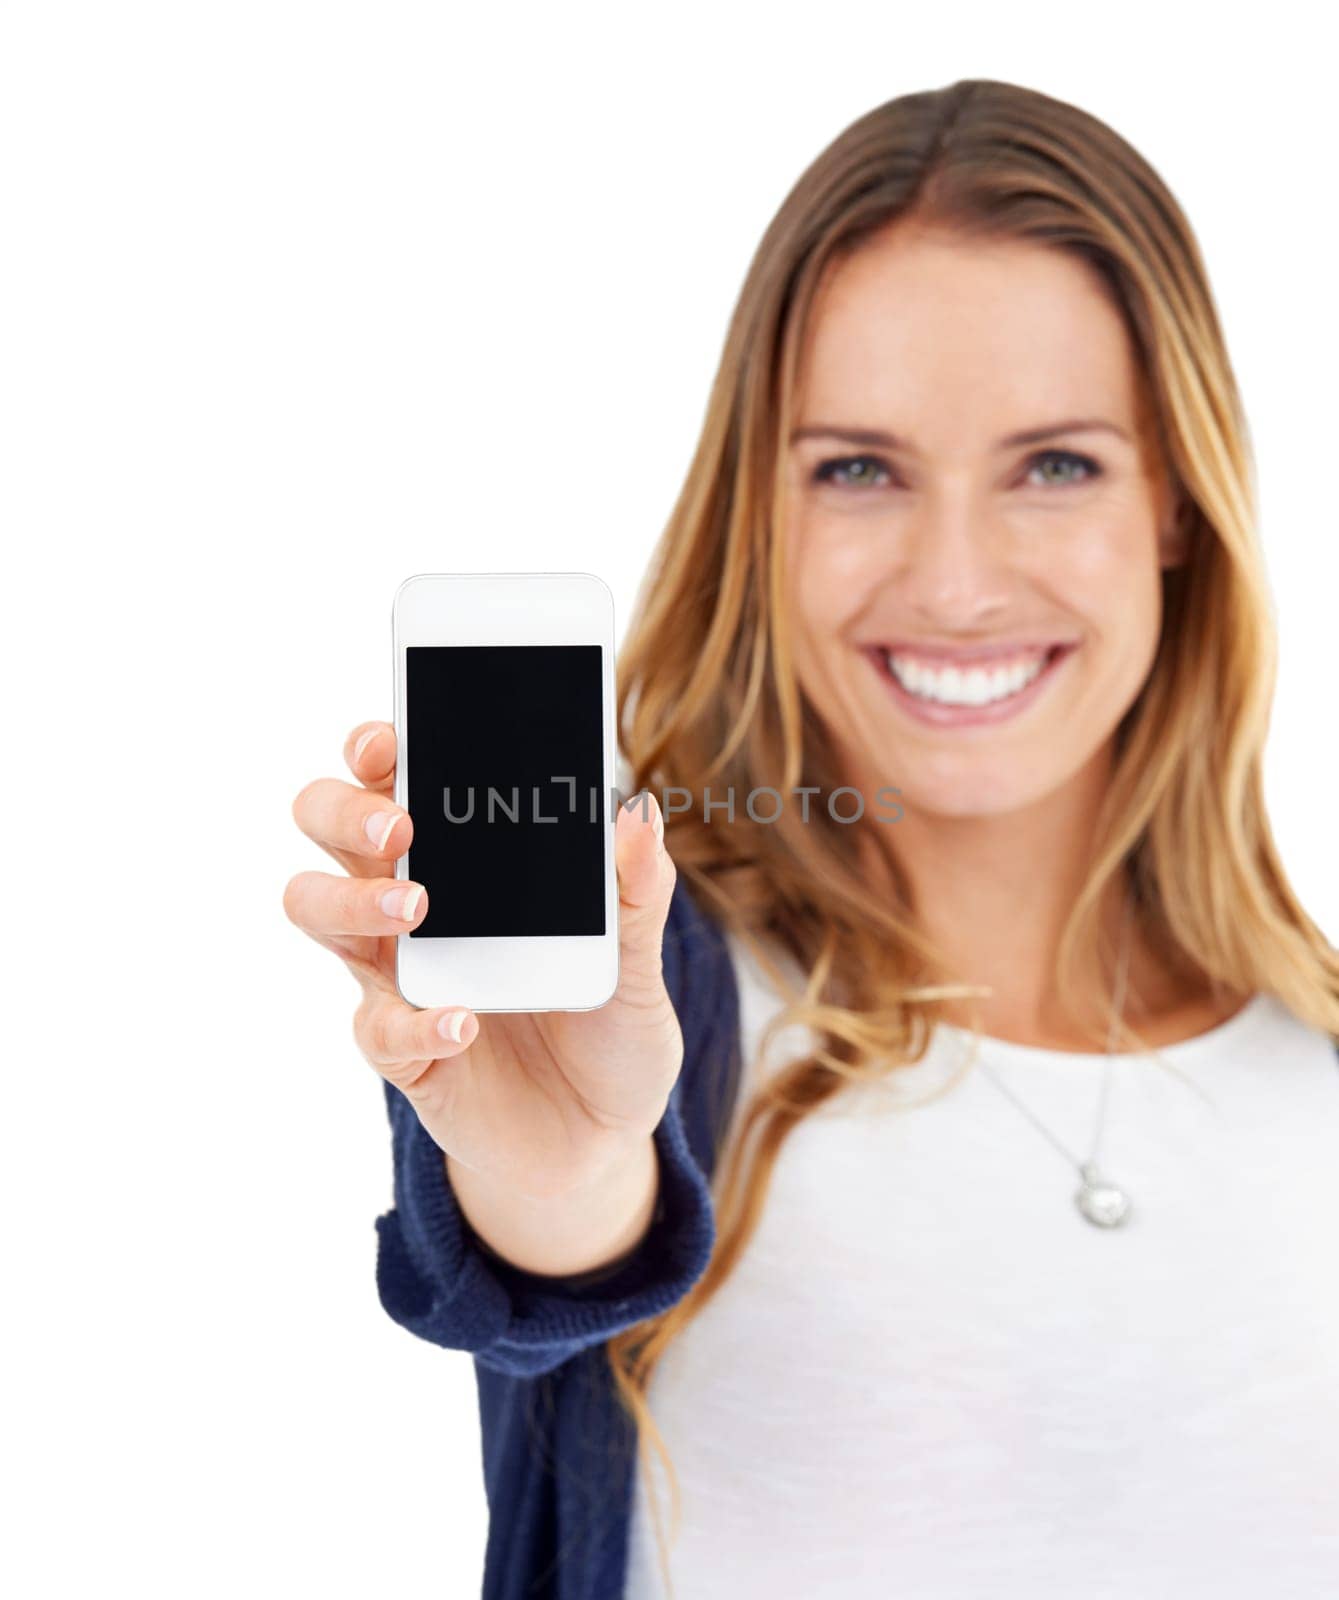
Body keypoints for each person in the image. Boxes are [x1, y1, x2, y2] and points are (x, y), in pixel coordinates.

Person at [284, 77, 1339, 1600]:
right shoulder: (647, 999)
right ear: (761, 512)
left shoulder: (1312, 1063)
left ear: (1176, 501)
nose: (958, 583)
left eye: (1056, 465)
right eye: (859, 468)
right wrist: (560, 1171)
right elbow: (559, 1248)